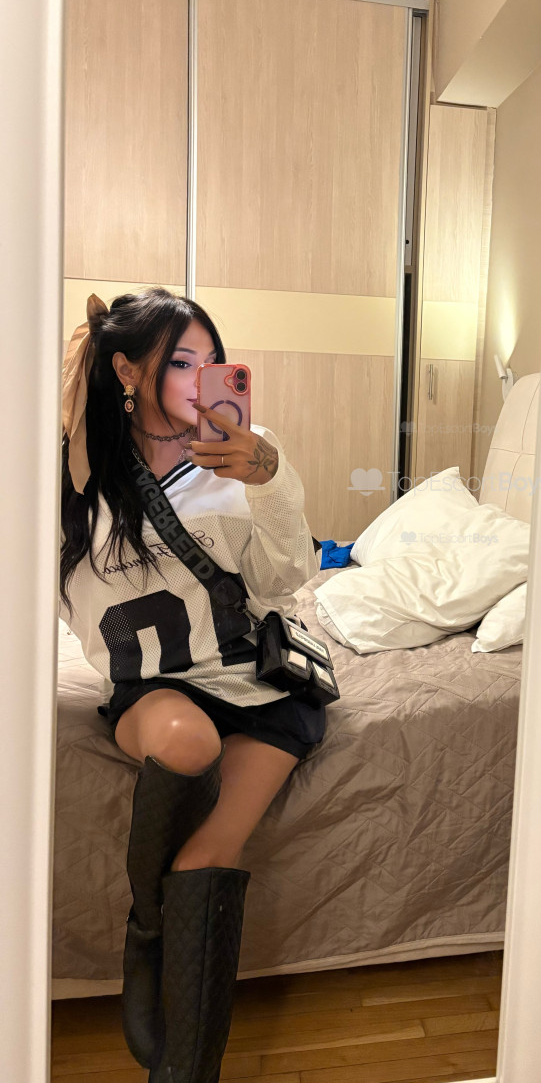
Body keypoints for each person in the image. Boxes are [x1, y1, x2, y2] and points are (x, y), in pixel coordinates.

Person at [59, 287, 325, 1081]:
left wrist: (269, 478)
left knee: (204, 858)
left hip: (262, 686)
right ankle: (147, 927)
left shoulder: (246, 455)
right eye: (180, 362)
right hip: (153, 689)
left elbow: (286, 578)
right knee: (183, 737)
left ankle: (181, 1072)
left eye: (213, 363)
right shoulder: (71, 468)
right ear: (125, 372)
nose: (201, 379)